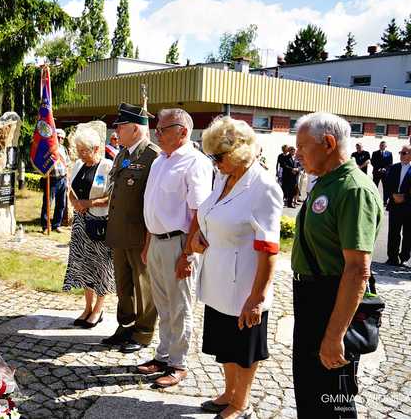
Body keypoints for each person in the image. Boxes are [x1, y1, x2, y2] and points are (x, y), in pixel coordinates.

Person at [291, 112, 382, 419]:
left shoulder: (353, 189)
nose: (297, 153)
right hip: (312, 297)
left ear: (328, 143)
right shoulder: (325, 182)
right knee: (310, 388)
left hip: (333, 300)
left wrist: (334, 336)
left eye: (302, 146)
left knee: (333, 397)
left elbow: (357, 269)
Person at [191, 116, 282, 418]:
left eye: (218, 156)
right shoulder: (224, 177)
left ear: (238, 153)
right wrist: (198, 239)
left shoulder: (264, 187)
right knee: (223, 344)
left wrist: (257, 297)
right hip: (217, 279)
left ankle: (240, 402)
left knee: (243, 348)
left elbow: (268, 247)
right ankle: (229, 392)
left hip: (243, 284)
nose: (213, 162)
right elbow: (211, 215)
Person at [137, 108, 212, 388]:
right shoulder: (160, 161)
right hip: (157, 241)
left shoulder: (195, 163)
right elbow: (151, 207)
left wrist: (187, 255)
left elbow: (198, 213)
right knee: (163, 305)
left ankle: (178, 363)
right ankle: (163, 355)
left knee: (180, 306)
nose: (157, 133)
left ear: (182, 131)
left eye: (162, 129)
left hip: (179, 243)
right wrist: (148, 244)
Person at [102, 102, 160, 353]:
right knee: (123, 285)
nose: (116, 132)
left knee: (143, 285)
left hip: (139, 236)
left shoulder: (153, 156)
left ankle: (144, 332)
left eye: (121, 127)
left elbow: (153, 200)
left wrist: (149, 239)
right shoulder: (123, 155)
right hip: (119, 234)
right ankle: (125, 326)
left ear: (135, 129)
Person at [62, 127, 115, 327]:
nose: (81, 154)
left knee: (101, 268)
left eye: (84, 150)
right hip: (81, 225)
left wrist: (89, 204)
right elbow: (72, 190)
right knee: (84, 267)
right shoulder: (77, 165)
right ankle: (87, 307)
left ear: (96, 148)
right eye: (79, 150)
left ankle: (98, 310)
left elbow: (111, 197)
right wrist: (76, 202)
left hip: (100, 224)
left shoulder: (107, 167)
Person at [384, 145, 411, 266]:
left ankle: (404, 258)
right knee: (393, 232)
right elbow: (387, 184)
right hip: (394, 204)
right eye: (400, 152)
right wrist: (392, 195)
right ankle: (392, 257)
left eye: (404, 153)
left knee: (408, 234)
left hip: (408, 206)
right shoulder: (394, 167)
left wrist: (405, 197)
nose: (401, 154)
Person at [40, 129, 70, 234]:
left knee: (61, 204)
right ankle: (45, 226)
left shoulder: (64, 149)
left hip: (62, 179)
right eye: (58, 137)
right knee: (48, 204)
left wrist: (67, 179)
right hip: (51, 179)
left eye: (62, 137)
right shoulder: (49, 149)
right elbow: (42, 164)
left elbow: (67, 164)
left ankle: (56, 224)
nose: (60, 139)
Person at [371, 141, 393, 205]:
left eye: (383, 145)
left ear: (386, 146)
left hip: (385, 173)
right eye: (381, 145)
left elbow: (390, 163)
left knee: (385, 187)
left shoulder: (389, 153)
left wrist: (385, 169)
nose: (381, 146)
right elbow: (373, 162)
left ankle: (385, 201)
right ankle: (373, 200)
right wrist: (378, 168)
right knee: (374, 187)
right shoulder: (375, 153)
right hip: (376, 172)